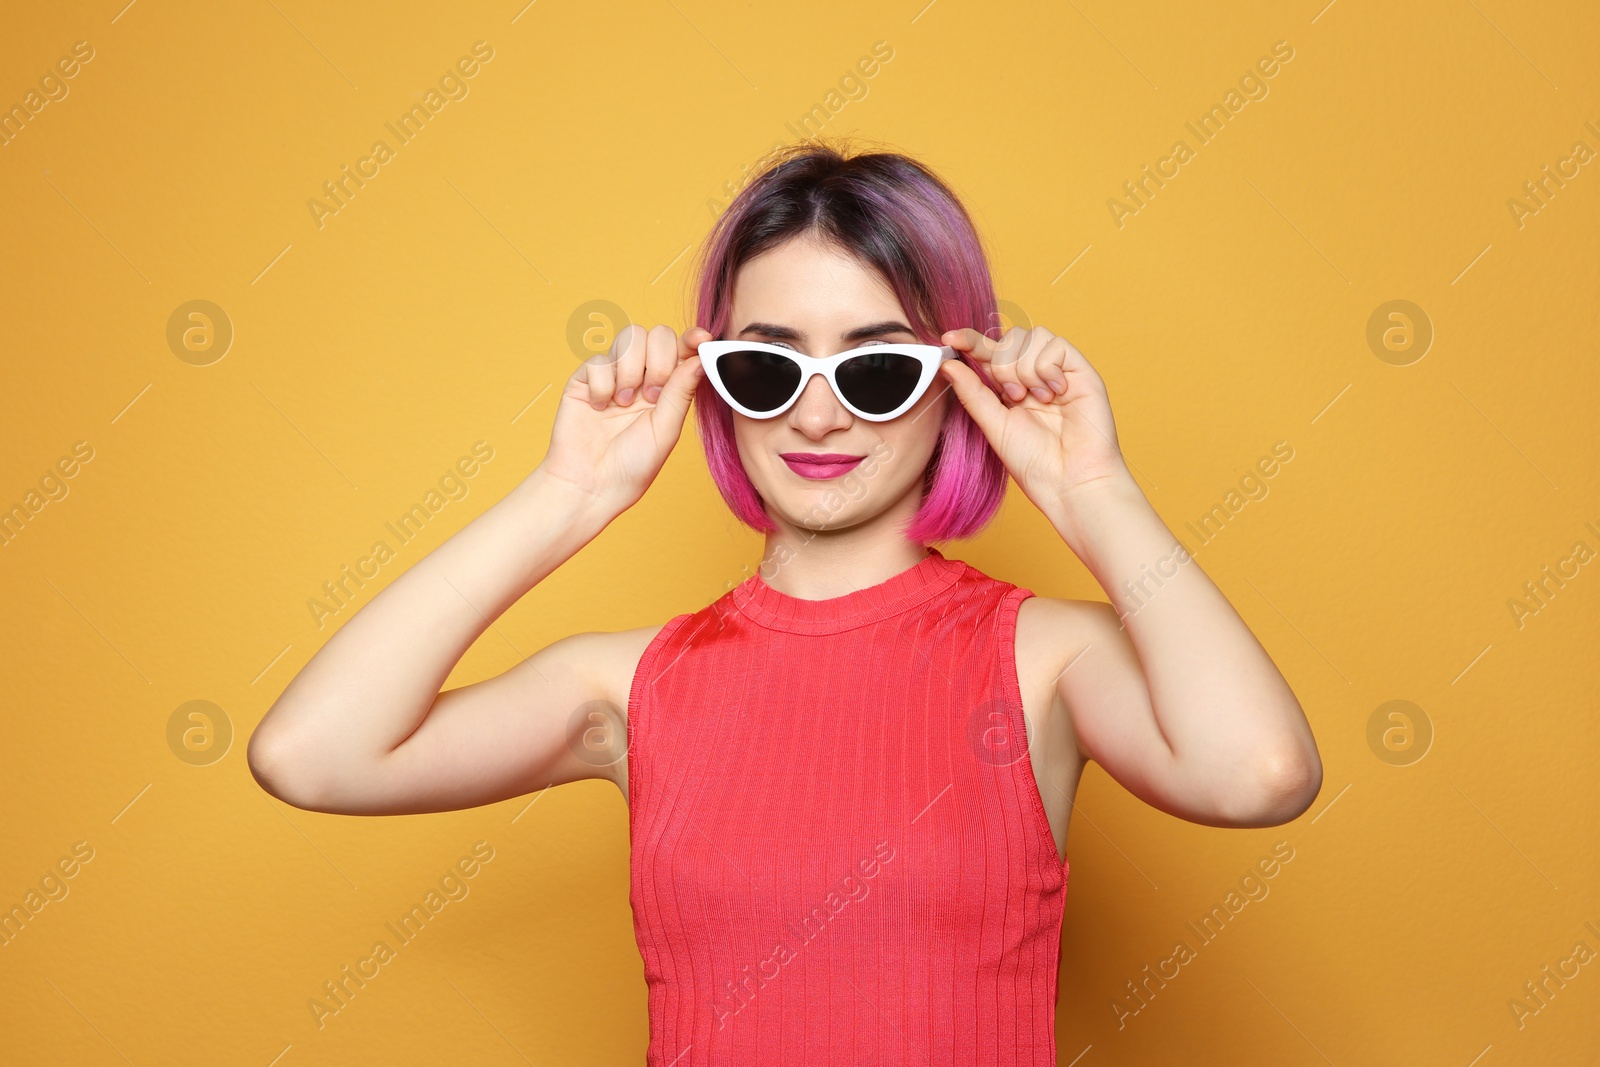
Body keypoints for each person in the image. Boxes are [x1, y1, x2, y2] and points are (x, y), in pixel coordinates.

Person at [248, 140, 1323, 1065]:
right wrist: (567, 497)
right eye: (767, 367)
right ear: (713, 379)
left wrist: (1092, 491)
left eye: (876, 371)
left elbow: (1258, 774)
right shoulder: (628, 684)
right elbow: (314, 753)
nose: (815, 416)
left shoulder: (1043, 657)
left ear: (956, 378)